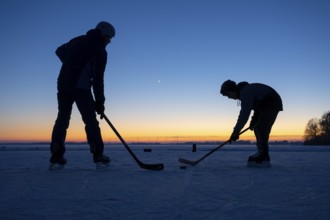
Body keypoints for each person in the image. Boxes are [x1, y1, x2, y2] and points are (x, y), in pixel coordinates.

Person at [50, 21, 115, 168]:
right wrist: (100, 102)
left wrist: (70, 65)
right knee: (90, 121)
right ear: (104, 35)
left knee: (62, 118)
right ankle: (97, 153)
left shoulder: (77, 39)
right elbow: (98, 79)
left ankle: (56, 152)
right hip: (80, 87)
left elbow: (59, 50)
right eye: (109, 38)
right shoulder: (100, 51)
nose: (109, 41)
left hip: (63, 83)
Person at [220, 80, 283, 166]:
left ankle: (263, 156)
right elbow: (257, 107)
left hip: (271, 102)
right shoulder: (246, 91)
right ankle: (261, 153)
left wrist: (236, 132)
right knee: (258, 127)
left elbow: (244, 114)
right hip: (267, 104)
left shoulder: (245, 92)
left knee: (261, 128)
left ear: (232, 90)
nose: (229, 98)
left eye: (228, 95)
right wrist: (253, 121)